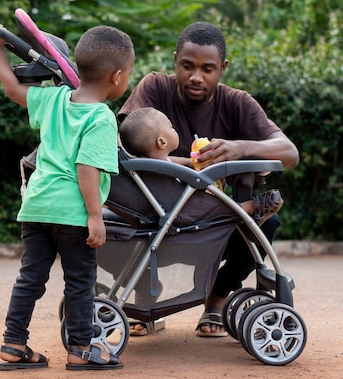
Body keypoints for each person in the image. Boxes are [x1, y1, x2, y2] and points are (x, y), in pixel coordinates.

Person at [117, 22, 299, 337]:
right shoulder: (155, 88)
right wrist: (178, 162)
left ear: (223, 68)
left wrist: (239, 148)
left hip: (216, 220)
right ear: (175, 61)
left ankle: (217, 299)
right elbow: (119, 145)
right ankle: (143, 301)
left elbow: (289, 152)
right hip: (154, 215)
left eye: (208, 69)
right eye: (187, 66)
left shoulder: (236, 102)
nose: (196, 77)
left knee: (267, 224)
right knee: (121, 221)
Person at [0, 23, 135, 370]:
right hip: (72, 214)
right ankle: (81, 349)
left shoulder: (53, 100)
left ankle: (13, 344)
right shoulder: (100, 116)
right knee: (80, 283)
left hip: (37, 207)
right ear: (116, 77)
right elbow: (87, 167)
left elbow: (12, 89)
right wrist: (95, 216)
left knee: (30, 279)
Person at [119, 107, 284, 225]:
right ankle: (247, 209)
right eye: (171, 127)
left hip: (175, 212)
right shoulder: (160, 170)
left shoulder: (149, 167)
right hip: (185, 214)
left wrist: (194, 163)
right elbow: (179, 171)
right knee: (207, 202)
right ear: (162, 142)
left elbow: (179, 163)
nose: (174, 129)